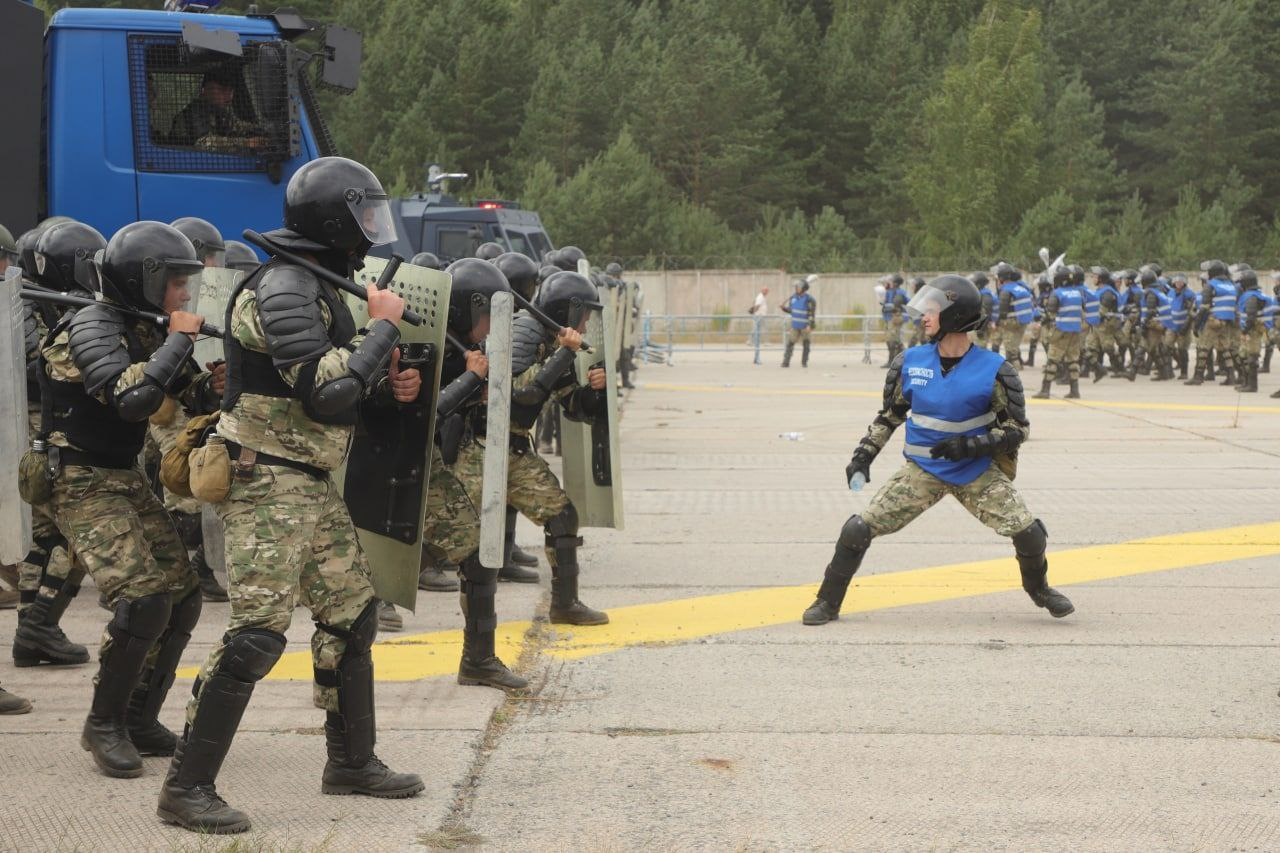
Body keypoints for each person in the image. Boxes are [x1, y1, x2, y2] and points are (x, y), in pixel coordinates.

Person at [158, 157, 424, 833]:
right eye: (364, 215)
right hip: (267, 480)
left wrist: (388, 381)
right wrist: (383, 328)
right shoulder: (282, 286)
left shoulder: (315, 283)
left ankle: (351, 762)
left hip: (307, 480)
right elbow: (324, 387)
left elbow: (341, 389)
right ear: (336, 218)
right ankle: (186, 787)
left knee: (352, 616)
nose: (371, 230)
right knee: (254, 636)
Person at [801, 274, 1073, 627]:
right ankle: (827, 601)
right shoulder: (909, 363)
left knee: (1029, 532)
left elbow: (1016, 430)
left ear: (956, 316)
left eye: (932, 311)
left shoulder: (996, 371)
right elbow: (889, 417)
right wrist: (863, 456)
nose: (924, 317)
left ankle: (1040, 590)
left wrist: (973, 445)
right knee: (857, 529)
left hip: (975, 470)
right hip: (922, 471)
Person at [40, 222, 209, 777]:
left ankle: (138, 716)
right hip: (80, 478)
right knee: (142, 600)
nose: (184, 293)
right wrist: (181, 340)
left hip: (122, 476)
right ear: (143, 279)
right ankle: (103, 723)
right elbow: (131, 398)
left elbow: (186, 391)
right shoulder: (89, 326)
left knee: (182, 594)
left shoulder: (145, 326)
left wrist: (216, 379)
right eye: (176, 282)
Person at [167, 68, 266, 153]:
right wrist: (247, 143)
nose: (228, 97)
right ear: (205, 90)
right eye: (221, 90)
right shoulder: (192, 114)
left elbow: (238, 126)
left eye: (231, 91)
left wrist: (264, 131)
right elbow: (204, 142)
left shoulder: (218, 112)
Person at [1033, 266, 1083, 399]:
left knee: (1052, 359)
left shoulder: (1057, 293)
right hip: (1076, 331)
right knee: (1073, 360)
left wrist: (1041, 322)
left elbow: (1050, 312)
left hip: (1061, 330)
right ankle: (1075, 389)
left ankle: (1045, 389)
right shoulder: (1078, 293)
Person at [1186, 260, 1237, 386]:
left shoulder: (1211, 285)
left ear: (1212, 272)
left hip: (1213, 321)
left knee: (1203, 348)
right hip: (1226, 321)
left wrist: (1197, 325)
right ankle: (1231, 376)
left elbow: (1204, 308)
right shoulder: (1231, 285)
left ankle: (1198, 376)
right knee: (1225, 348)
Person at [994, 262, 1032, 369]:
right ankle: (1016, 366)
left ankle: (1013, 371)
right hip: (1023, 322)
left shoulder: (1006, 290)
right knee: (1014, 346)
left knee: (1009, 350)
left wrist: (996, 323)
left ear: (1002, 277)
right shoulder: (1021, 287)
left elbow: (1002, 311)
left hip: (1011, 322)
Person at [780, 278, 816, 368]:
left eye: (799, 287)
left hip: (805, 326)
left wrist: (810, 325)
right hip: (795, 325)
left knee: (806, 344)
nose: (796, 288)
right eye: (796, 287)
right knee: (790, 343)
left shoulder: (809, 299)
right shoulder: (793, 298)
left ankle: (804, 362)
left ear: (804, 289)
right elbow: (791, 310)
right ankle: (786, 362)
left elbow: (812, 313)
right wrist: (784, 308)